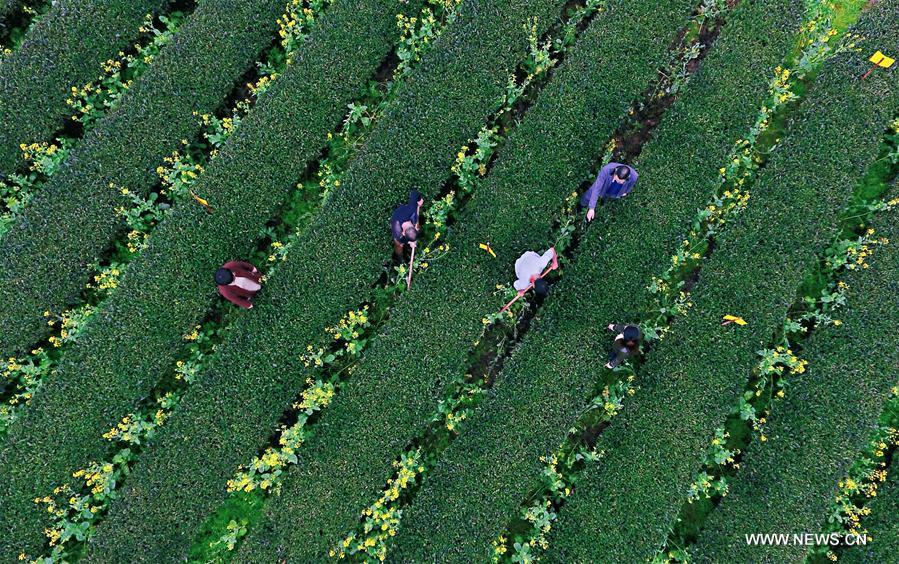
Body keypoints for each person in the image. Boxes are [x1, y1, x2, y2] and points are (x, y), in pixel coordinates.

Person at [391, 189, 424, 260]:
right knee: (399, 245)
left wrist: (420, 200)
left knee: (416, 223)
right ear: (403, 233)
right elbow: (399, 241)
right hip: (397, 213)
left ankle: (413, 238)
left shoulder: (413, 211)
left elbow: (415, 192)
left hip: (407, 214)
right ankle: (399, 258)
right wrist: (409, 242)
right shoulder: (397, 228)